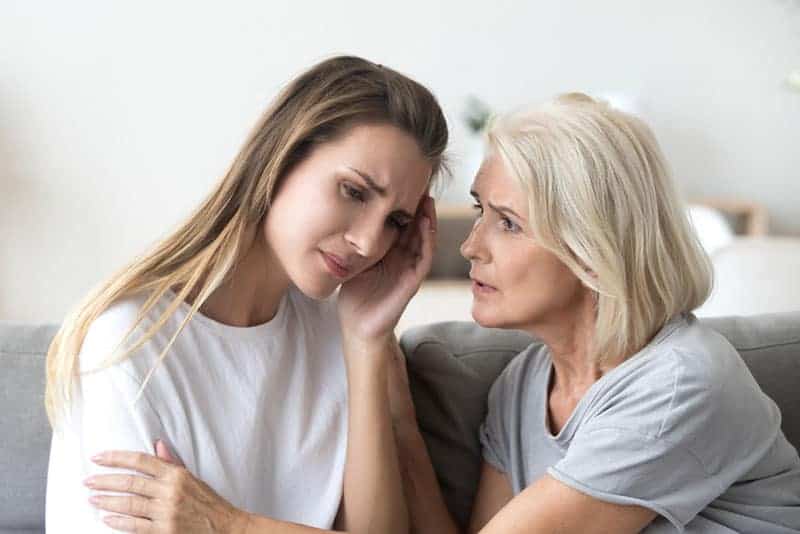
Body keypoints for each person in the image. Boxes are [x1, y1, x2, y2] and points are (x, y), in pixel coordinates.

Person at [45, 55, 448, 533]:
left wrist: (365, 343)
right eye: (354, 192)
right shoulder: (131, 340)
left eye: (395, 222)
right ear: (280, 158)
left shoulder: (343, 335)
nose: (368, 241)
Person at [386, 94, 800, 533]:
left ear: (591, 249)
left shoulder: (680, 384)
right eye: (479, 211)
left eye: (508, 223)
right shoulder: (521, 385)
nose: (470, 246)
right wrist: (390, 389)